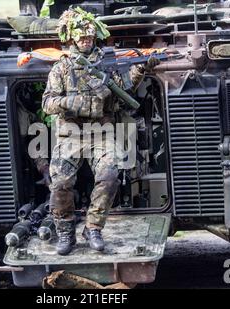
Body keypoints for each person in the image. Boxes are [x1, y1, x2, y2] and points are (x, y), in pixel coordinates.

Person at [42, 8, 159, 255]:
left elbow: (125, 88)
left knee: (109, 176)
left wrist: (141, 68)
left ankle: (93, 227)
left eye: (89, 37)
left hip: (102, 132)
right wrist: (69, 103)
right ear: (72, 38)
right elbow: (47, 103)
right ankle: (65, 231)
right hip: (71, 134)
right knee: (61, 183)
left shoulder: (106, 63)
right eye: (81, 37)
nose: (86, 41)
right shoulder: (62, 68)